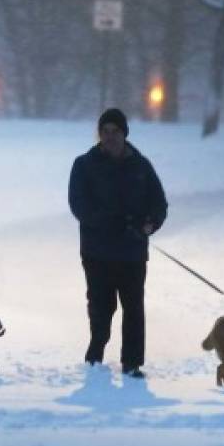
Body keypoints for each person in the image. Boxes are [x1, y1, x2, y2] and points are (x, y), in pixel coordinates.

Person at [67, 108, 168, 378]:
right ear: (99, 135)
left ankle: (132, 362)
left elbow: (159, 203)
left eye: (115, 131)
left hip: (133, 252)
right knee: (101, 307)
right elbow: (79, 205)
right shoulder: (84, 165)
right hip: (97, 251)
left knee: (133, 307)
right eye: (105, 132)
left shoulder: (141, 166)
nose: (110, 137)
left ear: (124, 134)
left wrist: (149, 224)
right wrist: (111, 222)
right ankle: (95, 355)